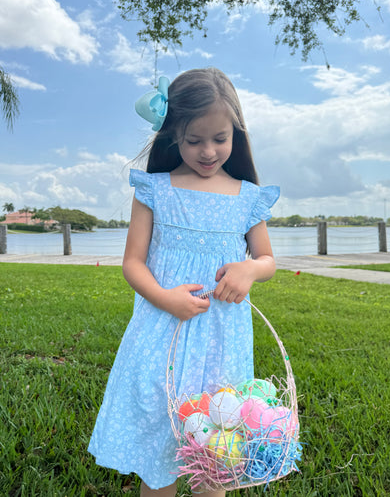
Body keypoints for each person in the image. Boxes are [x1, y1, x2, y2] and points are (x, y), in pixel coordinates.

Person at [88, 68, 280, 496]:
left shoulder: (247, 196)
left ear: (237, 133)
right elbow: (133, 263)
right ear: (173, 134)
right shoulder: (155, 190)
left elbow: (267, 258)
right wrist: (163, 297)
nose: (208, 151)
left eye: (220, 138)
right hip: (162, 334)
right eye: (194, 140)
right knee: (161, 439)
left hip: (221, 340)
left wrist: (249, 269)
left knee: (215, 447)